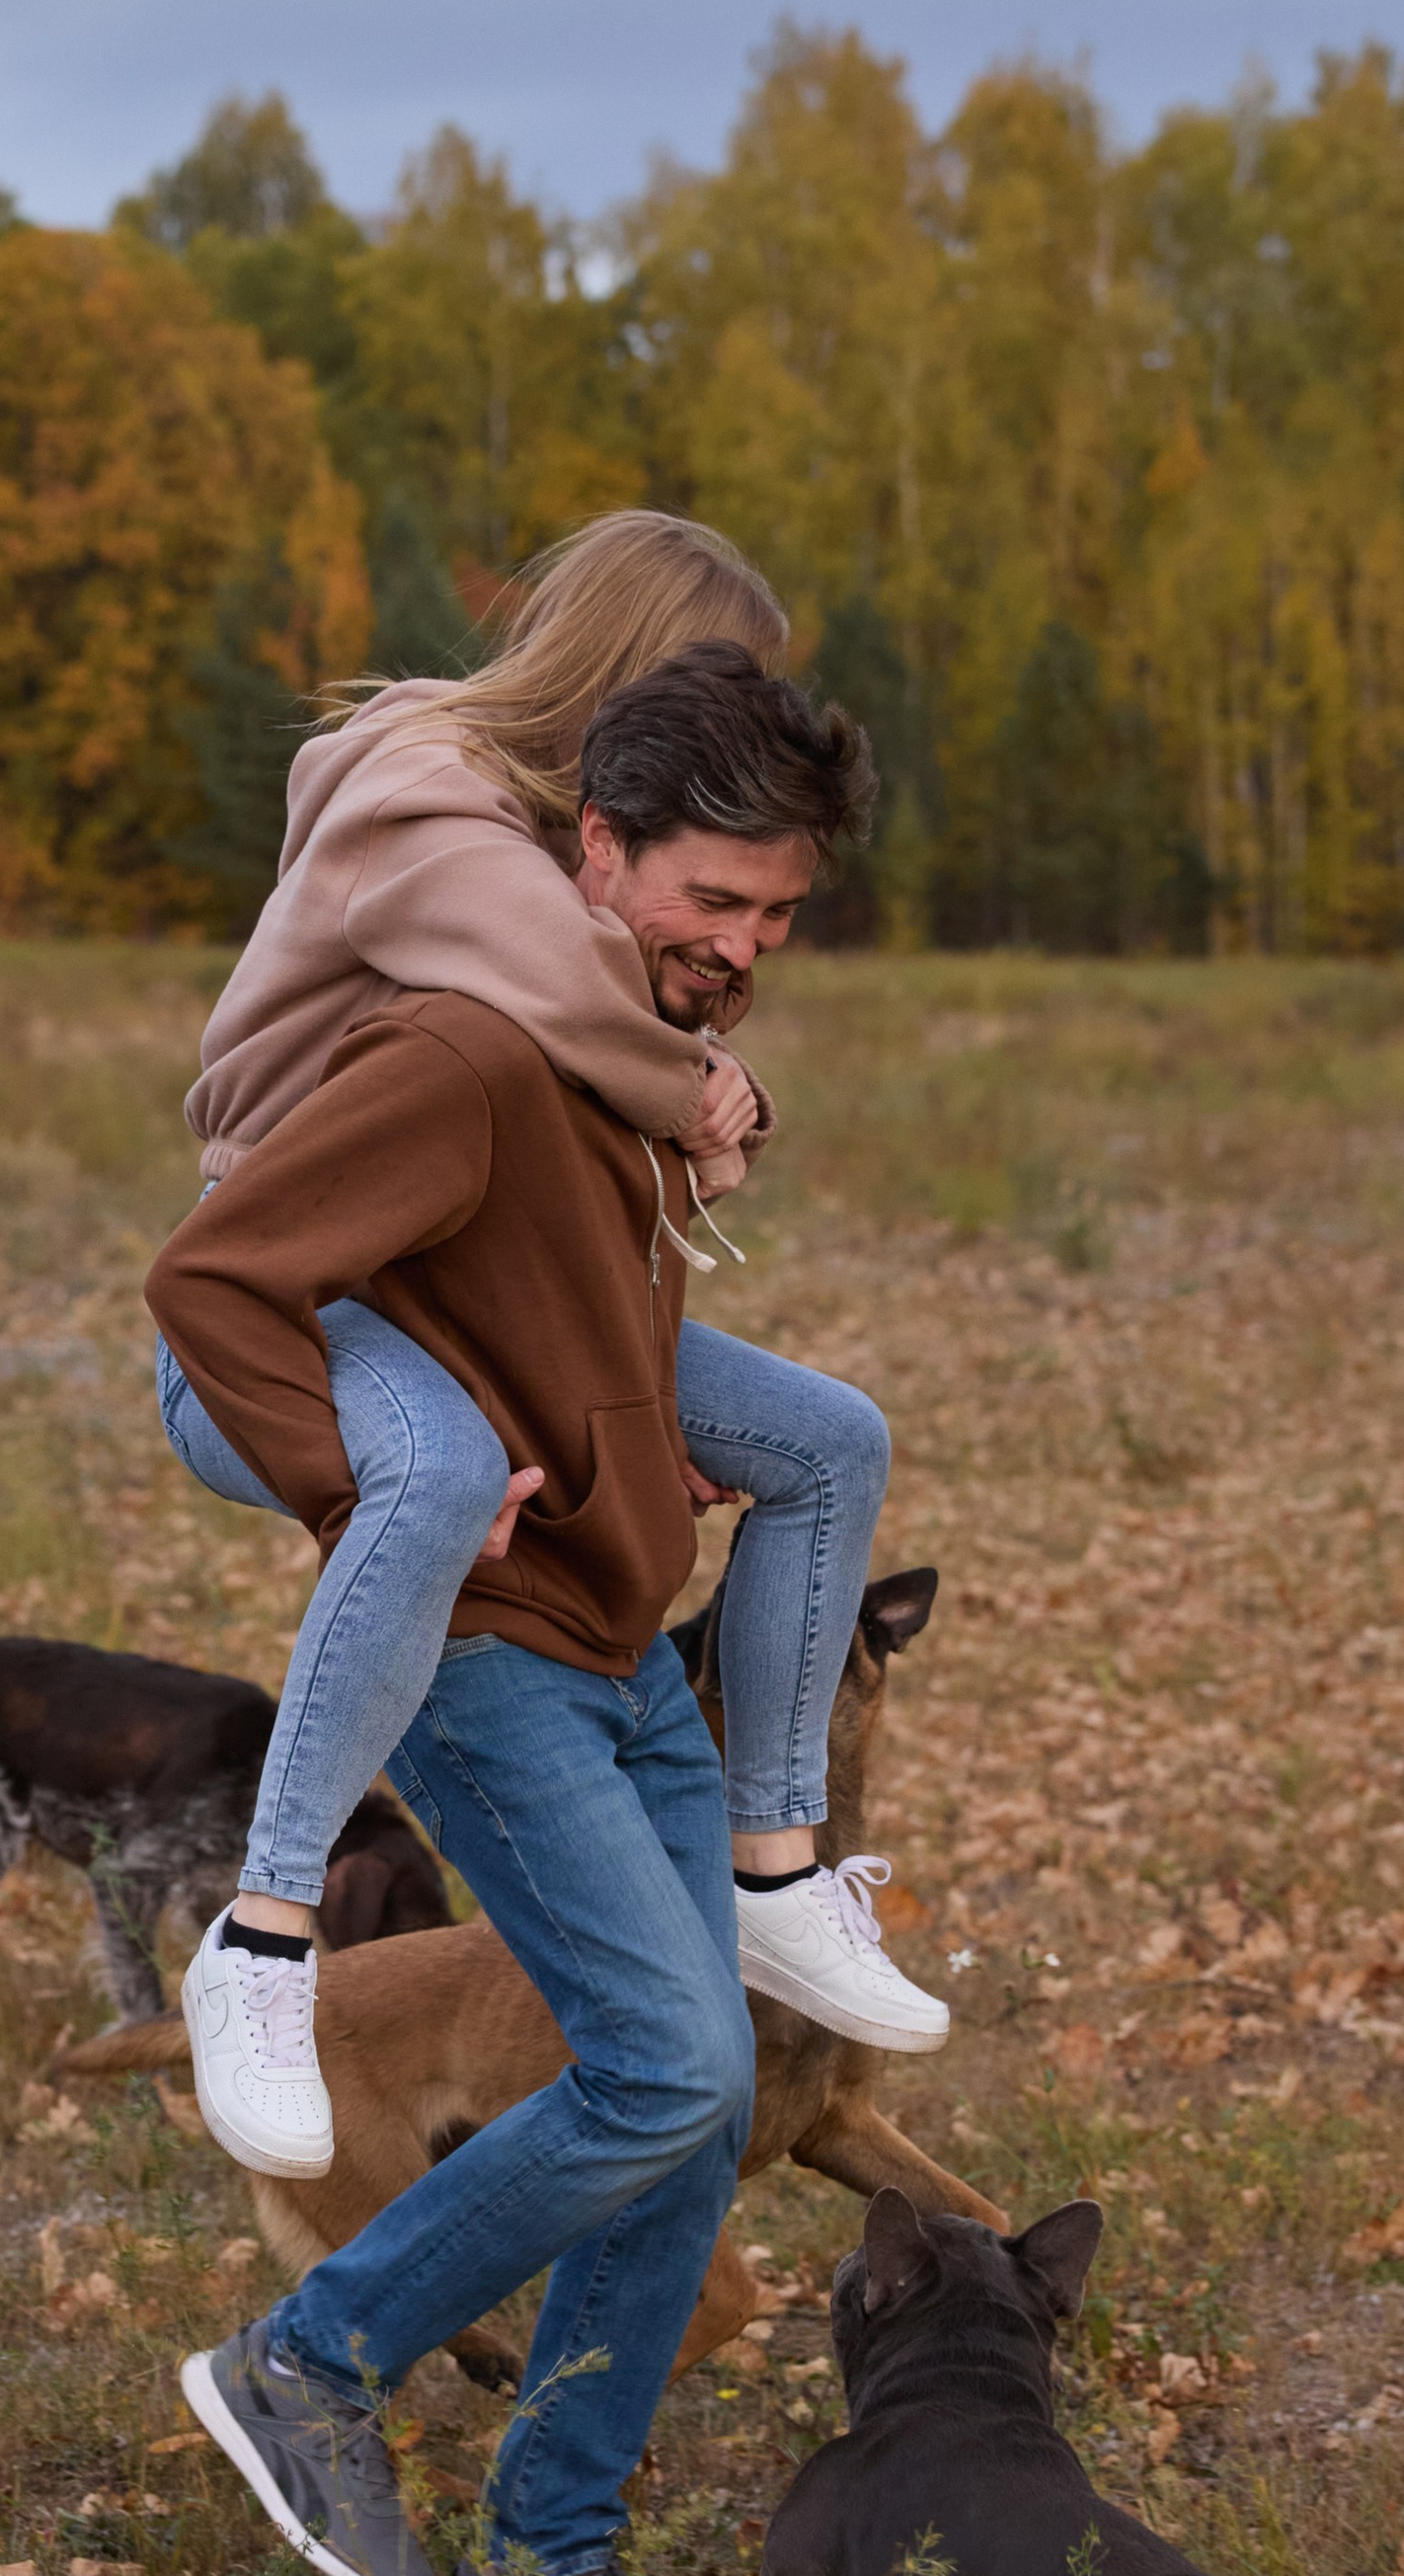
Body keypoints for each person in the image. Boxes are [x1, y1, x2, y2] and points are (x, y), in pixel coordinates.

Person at [152, 647, 908, 2576]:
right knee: (667, 2067)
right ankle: (309, 2362)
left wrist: (638, 1441)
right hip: (491, 1661)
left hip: (622, 1644)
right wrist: (362, 1487)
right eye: (709, 899)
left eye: (778, 916)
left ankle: (552, 2549)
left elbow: (579, 1330)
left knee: (693, 2095)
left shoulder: (623, 1066)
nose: (740, 947)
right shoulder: (464, 1052)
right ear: (593, 847)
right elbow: (215, 1279)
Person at [153, 514, 944, 2181]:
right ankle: (265, 1936)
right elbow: (573, 1005)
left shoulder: (576, 845)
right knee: (440, 1470)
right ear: (633, 671)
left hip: (477, 1290)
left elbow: (615, 1090)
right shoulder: (429, 801)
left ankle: (779, 1867)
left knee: (827, 1439)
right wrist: (710, 1091)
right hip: (316, 1294)